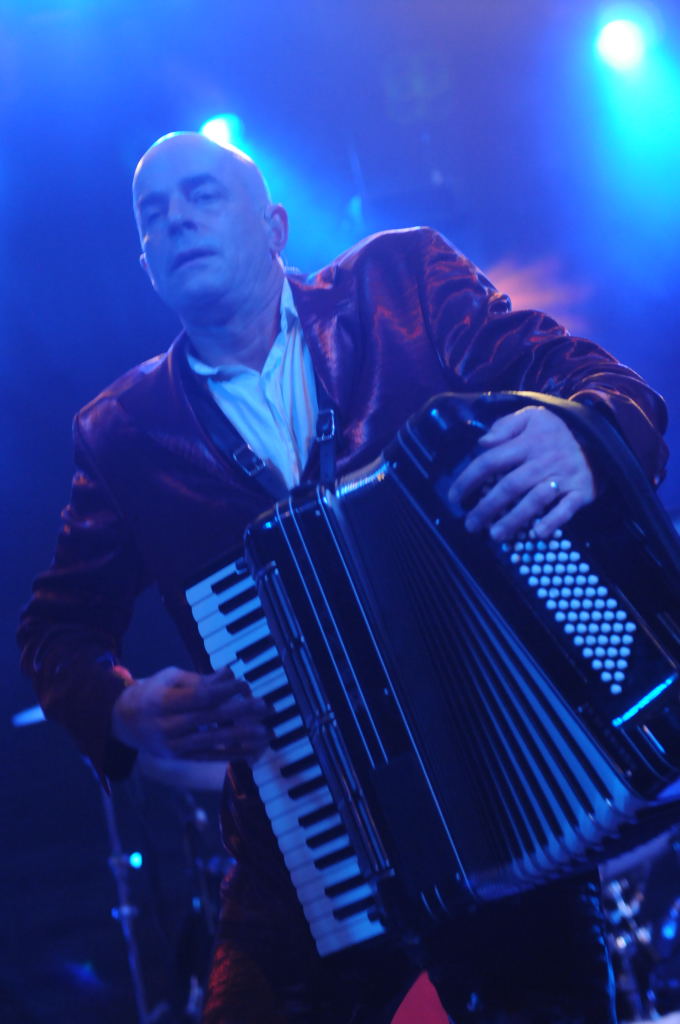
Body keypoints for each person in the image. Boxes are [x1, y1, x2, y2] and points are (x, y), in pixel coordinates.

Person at [18, 131, 669, 1023]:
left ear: (275, 226)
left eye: (202, 195)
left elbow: (600, 381)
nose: (176, 221)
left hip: (508, 796)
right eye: (153, 215)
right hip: (302, 848)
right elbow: (55, 630)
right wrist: (125, 708)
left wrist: (583, 430)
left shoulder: (403, 286)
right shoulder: (124, 433)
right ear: (148, 268)